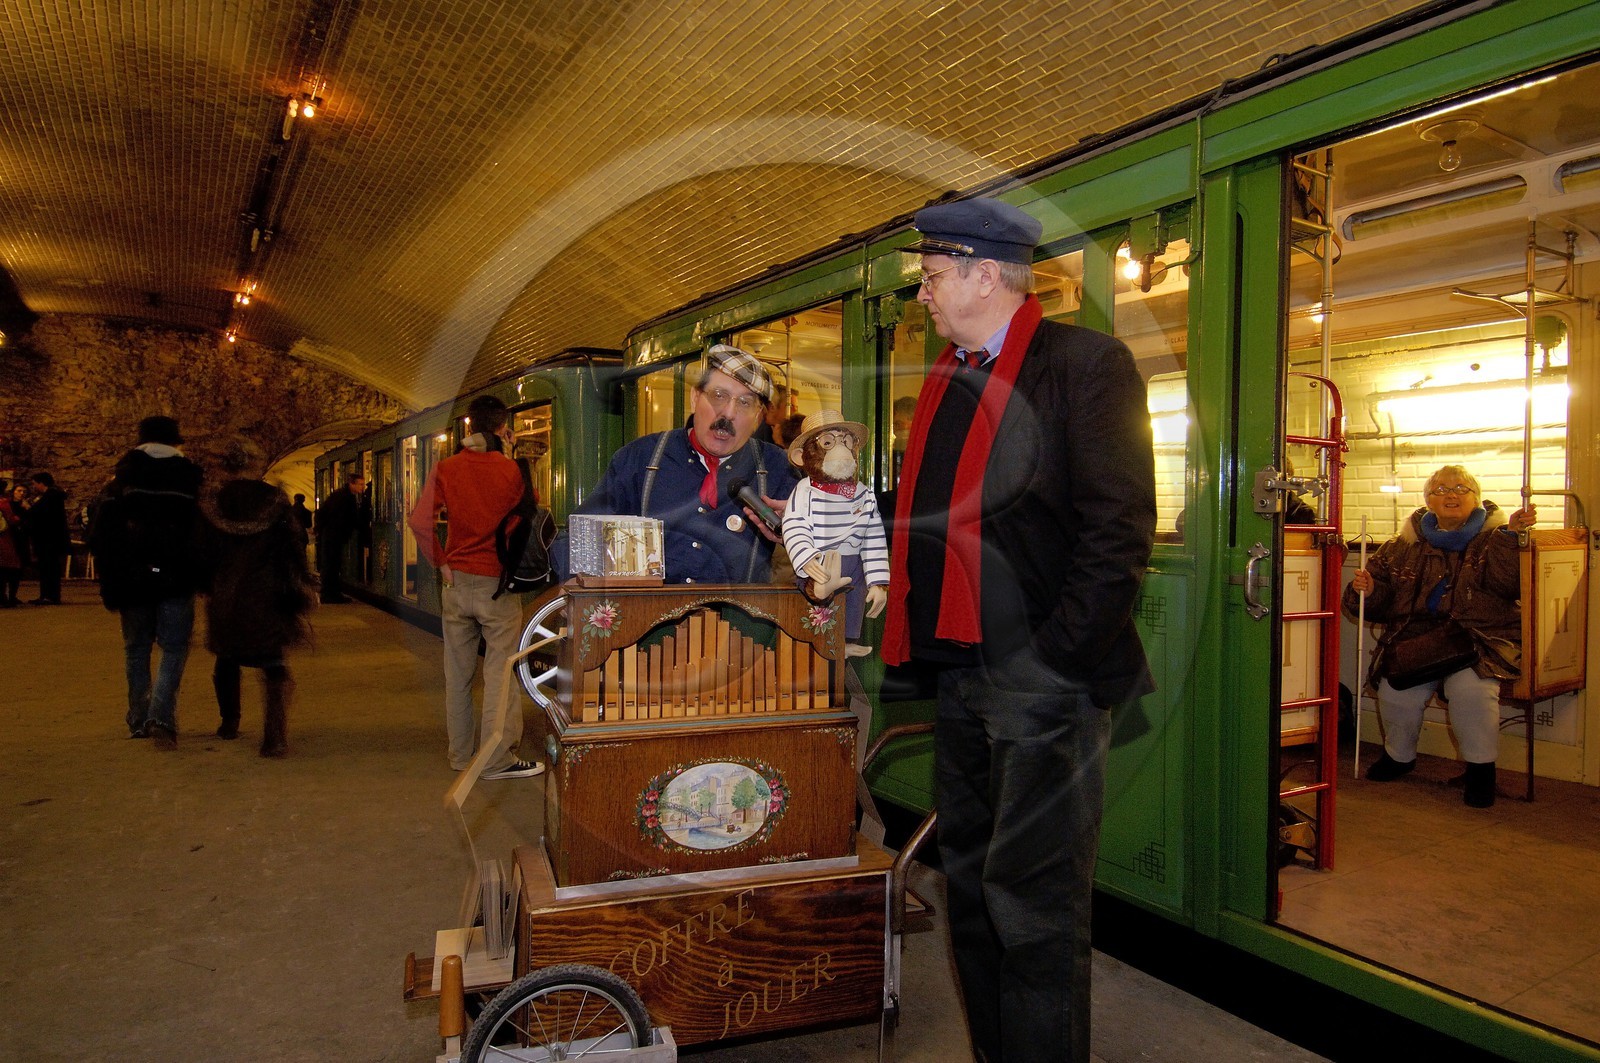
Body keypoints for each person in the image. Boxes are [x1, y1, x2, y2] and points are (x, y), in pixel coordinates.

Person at [881, 198, 1157, 1063]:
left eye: (930, 277)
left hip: (1043, 682)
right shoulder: (949, 379)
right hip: (964, 673)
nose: (921, 295)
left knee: (1033, 908)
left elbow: (1119, 532)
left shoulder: (1086, 366)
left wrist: (1051, 664)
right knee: (970, 889)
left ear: (983, 273)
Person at [1342, 465, 1534, 808]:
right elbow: (1376, 600)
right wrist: (1369, 590)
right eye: (1441, 488)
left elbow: (1508, 585)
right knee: (1396, 691)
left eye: (1461, 488)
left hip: (1478, 640)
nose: (1451, 494)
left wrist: (1510, 538)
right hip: (1418, 640)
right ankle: (1399, 757)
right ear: (1428, 499)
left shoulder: (1496, 537)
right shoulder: (1403, 544)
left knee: (1472, 692)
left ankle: (1480, 771)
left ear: (1476, 497)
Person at [553, 344, 798, 584]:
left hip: (740, 622)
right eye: (718, 396)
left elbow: (823, 554)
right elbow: (576, 541)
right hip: (651, 622)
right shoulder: (640, 460)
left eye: (745, 403)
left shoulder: (777, 468)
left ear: (757, 417)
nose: (728, 413)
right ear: (695, 398)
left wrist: (800, 530)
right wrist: (579, 583)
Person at [407, 395, 543, 780]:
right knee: (500, 673)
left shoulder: (446, 468)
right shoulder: (513, 471)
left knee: (458, 673)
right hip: (497, 584)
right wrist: (512, 455)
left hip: (456, 583)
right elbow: (528, 517)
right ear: (503, 429)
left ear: (470, 429)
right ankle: (497, 759)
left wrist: (442, 562)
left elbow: (419, 522)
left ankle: (460, 755)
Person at [88, 416, 204, 746]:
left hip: (131, 578)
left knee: (136, 649)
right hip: (177, 576)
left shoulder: (119, 483)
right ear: (175, 442)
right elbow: (200, 535)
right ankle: (161, 717)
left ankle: (138, 719)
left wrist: (110, 579)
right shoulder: (189, 481)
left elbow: (100, 536)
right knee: (174, 647)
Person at [198, 444, 317, 757]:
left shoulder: (213, 503)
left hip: (225, 594)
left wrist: (206, 585)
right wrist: (302, 582)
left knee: (226, 658)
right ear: (253, 464)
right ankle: (274, 737)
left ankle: (229, 722)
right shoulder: (274, 500)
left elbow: (201, 553)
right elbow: (292, 548)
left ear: (225, 466)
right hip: (268, 594)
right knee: (274, 663)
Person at [781, 409, 889, 656]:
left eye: (846, 441)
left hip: (852, 559)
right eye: (828, 442)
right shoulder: (804, 490)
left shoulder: (863, 492)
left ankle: (847, 640)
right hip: (820, 558)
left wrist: (879, 581)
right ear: (802, 456)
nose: (841, 449)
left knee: (857, 589)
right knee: (819, 601)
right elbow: (794, 524)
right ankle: (819, 590)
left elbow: (873, 537)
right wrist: (806, 558)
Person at [315, 474, 368, 603]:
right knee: (332, 565)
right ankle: (330, 595)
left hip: (331, 534)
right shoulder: (344, 498)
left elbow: (322, 513)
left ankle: (331, 593)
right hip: (334, 535)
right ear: (352, 484)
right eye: (360, 484)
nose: (363, 487)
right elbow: (348, 518)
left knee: (332, 565)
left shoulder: (341, 495)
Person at [25, 472, 70, 605]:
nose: (33, 487)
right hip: (50, 539)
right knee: (48, 568)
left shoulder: (51, 496)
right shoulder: (52, 496)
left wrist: (28, 508)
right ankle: (47, 594)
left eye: (34, 484)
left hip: (49, 540)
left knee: (49, 568)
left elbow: (40, 514)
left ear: (41, 483)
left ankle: (49, 595)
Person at [0, 480, 22, 606]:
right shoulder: (4, 503)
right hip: (4, 538)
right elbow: (12, 520)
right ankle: (9, 597)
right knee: (9, 568)